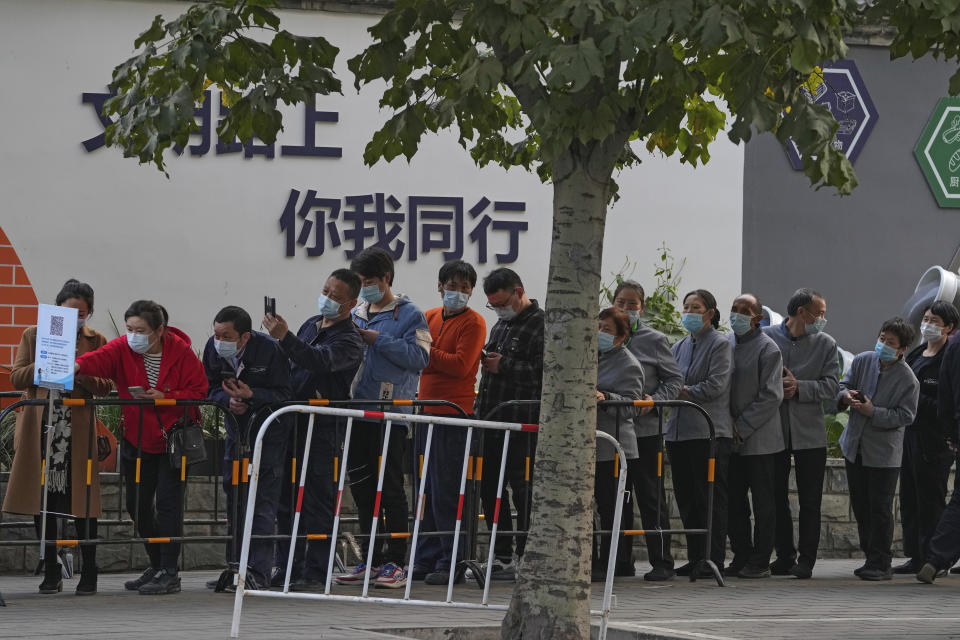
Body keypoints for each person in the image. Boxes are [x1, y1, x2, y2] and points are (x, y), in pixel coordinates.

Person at [75, 300, 207, 595]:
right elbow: (98, 358)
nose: (133, 335)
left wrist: (166, 395)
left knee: (169, 505)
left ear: (159, 330)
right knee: (137, 505)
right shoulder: (123, 348)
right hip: (137, 438)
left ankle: (170, 571)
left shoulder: (182, 352)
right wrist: (75, 365)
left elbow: (199, 391)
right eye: (130, 328)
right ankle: (157, 563)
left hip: (173, 439)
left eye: (141, 330)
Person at [3, 279, 112, 595]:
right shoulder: (34, 334)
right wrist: (48, 360)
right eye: (68, 311)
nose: (75, 317)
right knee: (43, 500)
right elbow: (17, 376)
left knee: (83, 500)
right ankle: (50, 569)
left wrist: (79, 368)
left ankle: (89, 570)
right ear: (56, 309)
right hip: (42, 424)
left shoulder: (97, 340)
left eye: (81, 312)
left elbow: (105, 386)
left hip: (76, 427)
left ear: (88, 313)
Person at [336, 247, 430, 589]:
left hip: (391, 413)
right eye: (360, 282)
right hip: (358, 410)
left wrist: (379, 340)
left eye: (369, 281)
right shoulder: (357, 311)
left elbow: (420, 358)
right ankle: (370, 560)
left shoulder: (410, 314)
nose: (364, 287)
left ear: (386, 279)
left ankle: (397, 561)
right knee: (361, 488)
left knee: (390, 487)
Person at [264, 268, 364, 590]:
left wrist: (285, 338)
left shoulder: (350, 339)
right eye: (326, 291)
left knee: (318, 499)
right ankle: (287, 566)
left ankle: (317, 571)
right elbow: (287, 360)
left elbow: (318, 360)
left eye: (336, 297)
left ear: (351, 304)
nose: (327, 299)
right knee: (285, 499)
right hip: (290, 421)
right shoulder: (310, 324)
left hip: (322, 428)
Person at [202, 306, 291, 590]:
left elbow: (285, 394)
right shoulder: (212, 349)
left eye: (226, 335)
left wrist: (252, 396)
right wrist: (226, 401)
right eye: (216, 334)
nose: (219, 341)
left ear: (245, 337)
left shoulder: (269, 350)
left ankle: (257, 571)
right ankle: (234, 567)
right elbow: (210, 386)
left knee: (263, 502)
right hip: (235, 433)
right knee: (234, 498)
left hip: (269, 434)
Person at [412, 260, 485, 585]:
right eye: (451, 286)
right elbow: (414, 359)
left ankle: (450, 559)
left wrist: (428, 354)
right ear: (439, 286)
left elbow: (461, 365)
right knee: (424, 491)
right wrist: (429, 356)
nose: (458, 292)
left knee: (448, 491)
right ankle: (425, 557)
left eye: (464, 287)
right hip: (425, 412)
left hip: (454, 414)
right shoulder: (428, 317)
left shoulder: (475, 323)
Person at [762, 288, 839, 579]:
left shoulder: (827, 344)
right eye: (819, 313)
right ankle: (784, 555)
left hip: (810, 434)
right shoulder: (767, 337)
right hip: (774, 430)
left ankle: (806, 559)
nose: (823, 319)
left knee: (810, 500)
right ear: (801, 312)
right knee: (775, 495)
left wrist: (800, 388)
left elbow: (832, 386)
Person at [474, 267, 545, 581]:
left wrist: (504, 364)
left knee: (524, 489)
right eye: (493, 305)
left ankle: (527, 553)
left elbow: (544, 375)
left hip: (523, 422)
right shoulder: (500, 326)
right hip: (492, 418)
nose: (499, 309)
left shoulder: (542, 325)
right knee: (490, 489)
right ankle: (501, 555)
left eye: (503, 302)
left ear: (519, 291)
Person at [838, 317, 919, 580]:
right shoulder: (863, 360)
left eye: (891, 343)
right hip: (854, 446)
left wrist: (874, 412)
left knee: (880, 508)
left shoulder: (908, 380)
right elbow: (843, 384)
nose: (883, 345)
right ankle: (870, 557)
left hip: (883, 454)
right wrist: (845, 396)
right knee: (861, 506)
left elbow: (905, 416)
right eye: (882, 339)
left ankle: (882, 562)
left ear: (902, 349)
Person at [612, 280, 682, 581]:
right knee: (617, 497)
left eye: (633, 304)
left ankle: (662, 561)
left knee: (651, 496)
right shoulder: (603, 335)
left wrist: (654, 401)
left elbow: (673, 380)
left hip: (646, 431)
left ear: (642, 307)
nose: (626, 310)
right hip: (613, 432)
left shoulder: (654, 340)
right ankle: (620, 561)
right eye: (621, 303)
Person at [667, 289, 733, 576]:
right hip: (678, 433)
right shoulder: (680, 345)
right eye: (686, 307)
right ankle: (695, 557)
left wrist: (683, 392)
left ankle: (712, 558)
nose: (690, 313)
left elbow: (716, 385)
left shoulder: (720, 344)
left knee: (709, 498)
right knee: (686, 497)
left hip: (708, 432)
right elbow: (667, 378)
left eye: (696, 308)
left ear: (710, 313)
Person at [894, 302, 958, 575]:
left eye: (935, 320)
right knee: (910, 496)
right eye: (926, 318)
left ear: (949, 327)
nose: (928, 324)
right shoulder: (918, 353)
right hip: (910, 434)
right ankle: (917, 555)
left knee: (931, 498)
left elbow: (945, 400)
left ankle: (935, 557)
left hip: (935, 439)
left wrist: (915, 400)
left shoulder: (949, 356)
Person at [726, 294, 784, 579]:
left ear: (758, 317)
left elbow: (772, 395)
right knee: (734, 500)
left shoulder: (768, 349)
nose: (737, 315)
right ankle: (741, 554)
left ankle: (761, 559)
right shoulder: (726, 344)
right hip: (730, 437)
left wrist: (742, 426)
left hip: (760, 439)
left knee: (763, 502)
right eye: (734, 310)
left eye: (744, 311)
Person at [593, 307, 644, 581]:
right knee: (600, 505)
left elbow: (633, 405)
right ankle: (601, 560)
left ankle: (617, 560)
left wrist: (607, 397)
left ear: (622, 336)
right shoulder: (593, 356)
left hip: (615, 446)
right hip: (593, 443)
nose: (601, 333)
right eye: (598, 327)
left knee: (613, 506)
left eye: (608, 330)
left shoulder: (629, 364)